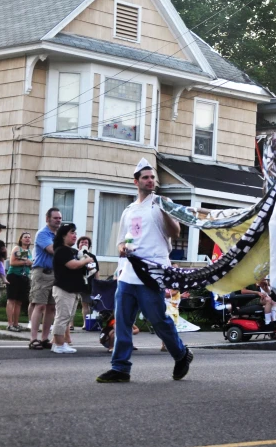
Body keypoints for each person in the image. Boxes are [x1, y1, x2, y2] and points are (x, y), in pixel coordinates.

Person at [96, 158, 193, 383]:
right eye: (146, 178)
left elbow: (175, 232)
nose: (150, 181)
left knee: (158, 319)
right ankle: (120, 367)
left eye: (152, 178)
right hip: (129, 273)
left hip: (153, 272)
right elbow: (123, 240)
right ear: (136, 182)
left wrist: (166, 210)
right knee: (122, 321)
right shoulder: (129, 210)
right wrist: (122, 248)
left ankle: (180, 354)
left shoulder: (161, 202)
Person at [51, 223, 94, 354]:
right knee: (62, 316)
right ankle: (59, 344)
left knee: (68, 317)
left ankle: (57, 342)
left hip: (73, 289)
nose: (75, 235)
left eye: (75, 233)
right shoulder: (61, 250)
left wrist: (86, 261)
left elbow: (82, 265)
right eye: (72, 233)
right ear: (63, 235)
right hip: (64, 288)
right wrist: (85, 261)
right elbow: (73, 265)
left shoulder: (73, 251)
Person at [28, 208, 62, 350]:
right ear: (47, 219)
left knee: (51, 307)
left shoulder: (60, 234)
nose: (58, 220)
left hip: (56, 273)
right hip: (42, 272)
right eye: (55, 218)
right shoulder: (43, 233)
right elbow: (52, 250)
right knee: (39, 305)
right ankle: (33, 338)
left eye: (60, 218)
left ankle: (44, 338)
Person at [6, 232, 33, 332]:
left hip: (24, 277)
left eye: (29, 237)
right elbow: (12, 262)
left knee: (19, 302)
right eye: (25, 237)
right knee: (11, 300)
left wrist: (31, 264)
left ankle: (16, 324)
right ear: (21, 239)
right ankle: (10, 324)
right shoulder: (17, 248)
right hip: (14, 276)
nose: (27, 239)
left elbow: (31, 264)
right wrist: (26, 262)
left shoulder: (29, 251)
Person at [76, 236, 97, 328]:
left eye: (86, 243)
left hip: (87, 283)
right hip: (76, 281)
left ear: (89, 246)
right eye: (82, 242)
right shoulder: (75, 254)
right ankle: (70, 324)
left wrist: (97, 282)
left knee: (85, 303)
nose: (84, 244)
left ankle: (86, 323)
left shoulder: (92, 257)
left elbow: (96, 270)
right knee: (73, 304)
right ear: (78, 245)